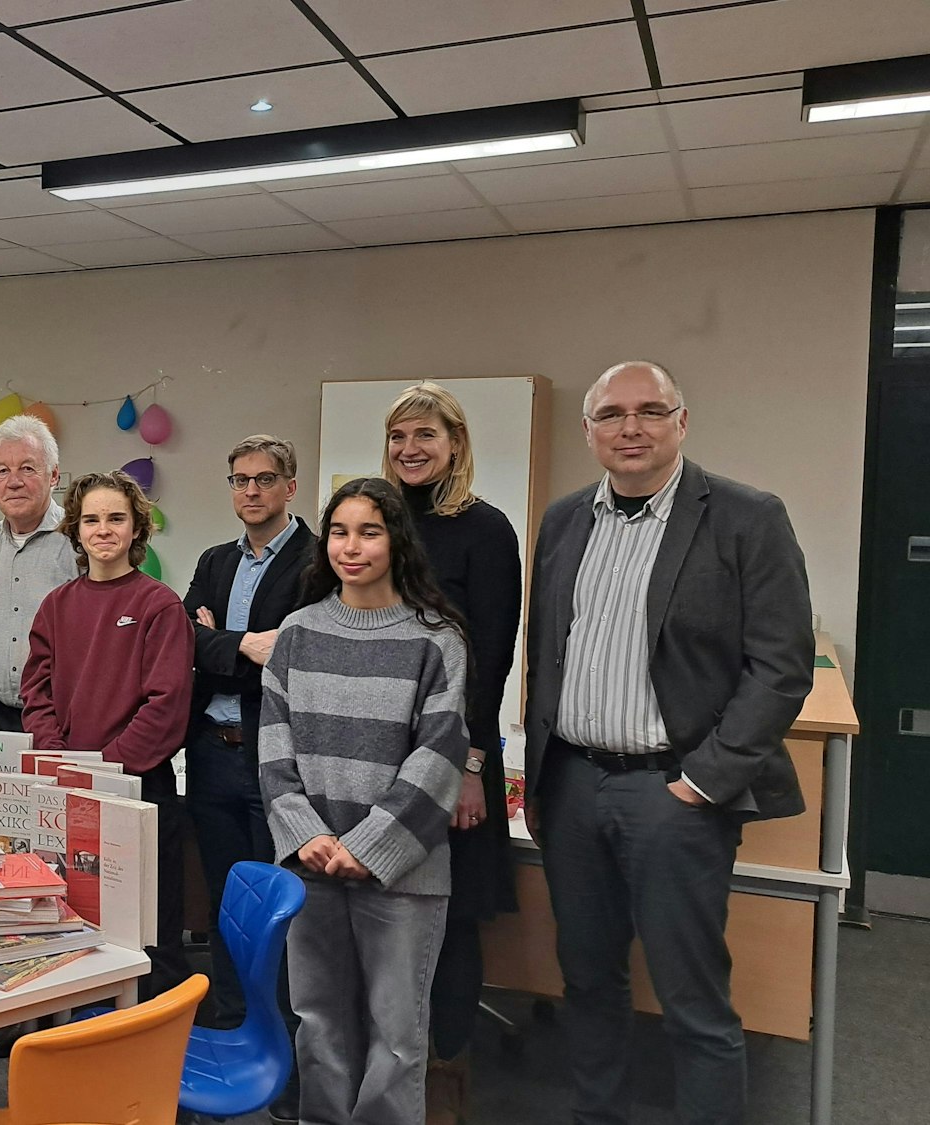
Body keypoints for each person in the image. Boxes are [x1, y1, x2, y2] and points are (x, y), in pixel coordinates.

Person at [525, 362, 813, 1125]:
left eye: (651, 410)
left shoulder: (747, 517)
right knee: (586, 980)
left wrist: (705, 780)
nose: (631, 427)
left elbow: (781, 668)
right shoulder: (563, 520)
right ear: (588, 432)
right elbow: (548, 645)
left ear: (681, 422)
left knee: (692, 996)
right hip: (575, 785)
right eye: (612, 414)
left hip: (673, 791)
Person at [260, 477, 470, 1125]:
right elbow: (274, 749)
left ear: (396, 541)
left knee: (396, 1036)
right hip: (312, 865)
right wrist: (305, 836)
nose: (352, 547)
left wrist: (368, 848)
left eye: (370, 531)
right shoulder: (296, 632)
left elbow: (437, 760)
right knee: (319, 1022)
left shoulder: (436, 639)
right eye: (341, 532)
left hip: (403, 874)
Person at [379, 383, 523, 1124]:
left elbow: (491, 659)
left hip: (454, 753)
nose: (411, 448)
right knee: (386, 911)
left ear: (456, 442)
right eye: (399, 434)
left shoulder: (486, 528)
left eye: (426, 434)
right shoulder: (380, 524)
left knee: (450, 915)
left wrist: (471, 763)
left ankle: (443, 1086)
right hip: (379, 752)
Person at [22, 471, 193, 999]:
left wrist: (109, 772)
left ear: (137, 527)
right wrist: (65, 766)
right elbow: (37, 693)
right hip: (69, 790)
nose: (103, 530)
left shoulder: (159, 605)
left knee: (146, 928)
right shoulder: (56, 606)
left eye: (116, 518)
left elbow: (166, 706)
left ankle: (152, 1037)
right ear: (75, 531)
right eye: (91, 519)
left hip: (139, 791)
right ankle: (65, 1022)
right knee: (70, 914)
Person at [182, 434, 314, 1036]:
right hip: (213, 751)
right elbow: (183, 638)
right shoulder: (215, 562)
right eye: (240, 479)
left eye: (265, 479)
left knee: (279, 907)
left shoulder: (317, 562)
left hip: (277, 755)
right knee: (225, 900)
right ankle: (232, 1021)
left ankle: (278, 1037)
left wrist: (219, 642)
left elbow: (294, 653)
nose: (252, 490)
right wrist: (242, 644)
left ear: (290, 487)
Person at [0, 414, 77, 732]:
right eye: (2, 471)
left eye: (27, 468)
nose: (14, 481)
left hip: (62, 716)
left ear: (54, 475)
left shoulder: (79, 542)